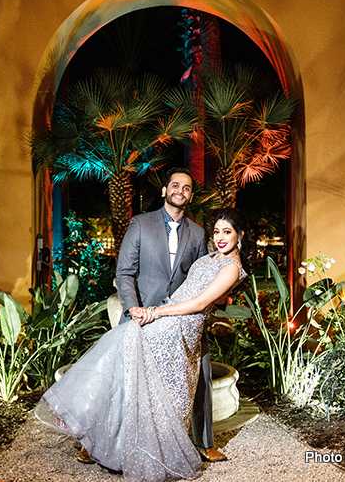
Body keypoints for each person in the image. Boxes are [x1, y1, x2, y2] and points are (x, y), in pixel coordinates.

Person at [36, 208, 253, 482]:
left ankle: (105, 436)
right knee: (132, 374)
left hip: (179, 328)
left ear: (240, 235)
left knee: (155, 387)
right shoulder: (213, 257)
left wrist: (154, 312)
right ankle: (91, 430)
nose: (220, 237)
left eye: (227, 232)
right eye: (217, 231)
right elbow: (210, 296)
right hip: (169, 318)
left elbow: (199, 304)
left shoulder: (233, 267)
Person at [115, 167, 225, 463]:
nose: (180, 190)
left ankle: (204, 442)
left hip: (183, 319)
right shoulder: (140, 224)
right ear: (165, 191)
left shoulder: (198, 232)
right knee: (125, 380)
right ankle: (104, 439)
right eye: (175, 185)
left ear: (190, 195)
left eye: (186, 187)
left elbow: (202, 277)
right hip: (143, 315)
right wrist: (132, 307)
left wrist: (204, 312)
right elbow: (124, 273)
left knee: (201, 370)